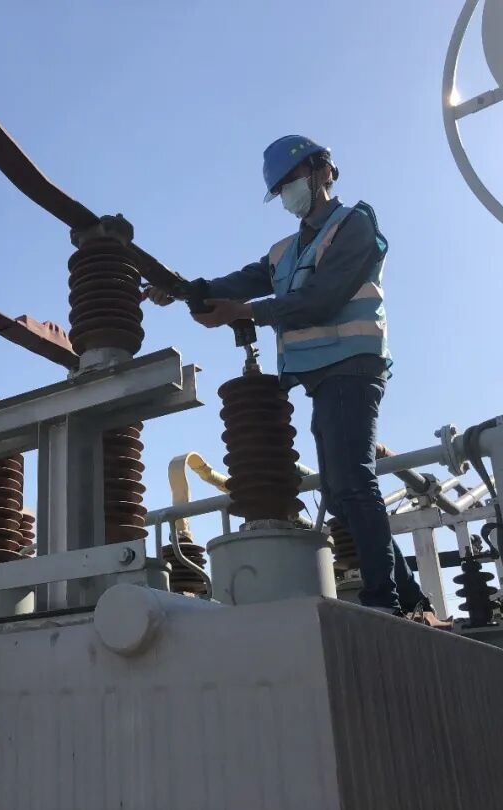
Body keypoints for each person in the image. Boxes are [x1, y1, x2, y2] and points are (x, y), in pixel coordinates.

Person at [145, 135, 448, 626]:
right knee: (341, 489)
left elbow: (322, 299)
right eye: (281, 186)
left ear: (323, 171)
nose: (288, 192)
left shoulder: (354, 225)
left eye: (292, 179)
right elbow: (236, 283)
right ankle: (411, 598)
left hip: (353, 366)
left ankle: (383, 599)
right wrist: (182, 290)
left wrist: (243, 313)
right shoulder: (285, 251)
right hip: (321, 378)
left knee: (353, 479)